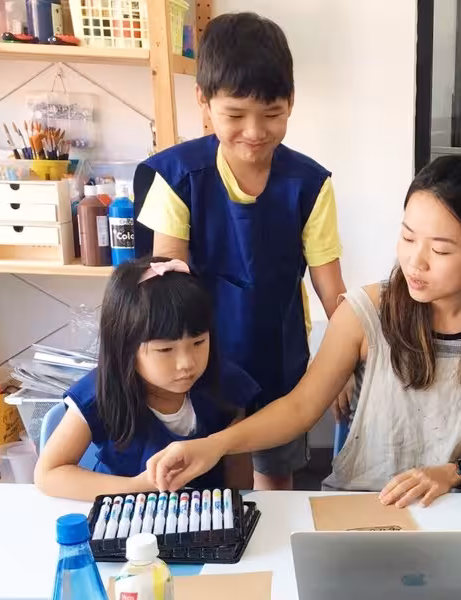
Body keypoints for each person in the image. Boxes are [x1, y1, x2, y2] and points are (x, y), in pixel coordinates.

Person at [145, 155, 461, 508]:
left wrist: (453, 473)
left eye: (440, 250)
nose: (414, 261)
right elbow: (299, 408)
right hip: (363, 503)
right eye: (407, 237)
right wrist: (212, 447)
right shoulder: (366, 312)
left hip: (457, 503)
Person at [133, 12, 348, 491]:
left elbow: (330, 288)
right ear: (204, 105)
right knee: (215, 476)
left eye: (272, 114)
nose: (255, 131)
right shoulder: (176, 178)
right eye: (235, 115)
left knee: (276, 475)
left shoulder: (310, 185)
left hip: (279, 351)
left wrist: (346, 361)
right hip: (201, 358)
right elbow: (170, 285)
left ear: (291, 103)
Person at [34, 258, 257, 501]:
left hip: (203, 522)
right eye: (165, 350)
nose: (187, 363)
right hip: (123, 518)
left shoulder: (226, 383)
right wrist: (136, 487)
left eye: (198, 343)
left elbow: (240, 479)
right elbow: (49, 474)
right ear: (125, 346)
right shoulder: (100, 393)